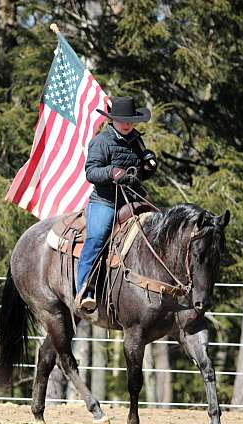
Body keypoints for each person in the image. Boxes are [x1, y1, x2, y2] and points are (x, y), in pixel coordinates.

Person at [75, 96, 158, 311]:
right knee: (96, 238)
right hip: (106, 201)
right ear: (112, 120)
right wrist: (112, 172)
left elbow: (140, 173)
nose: (128, 124)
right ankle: (85, 290)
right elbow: (91, 172)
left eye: (130, 120)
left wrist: (148, 166)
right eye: (123, 120)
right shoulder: (101, 141)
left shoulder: (136, 140)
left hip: (133, 199)